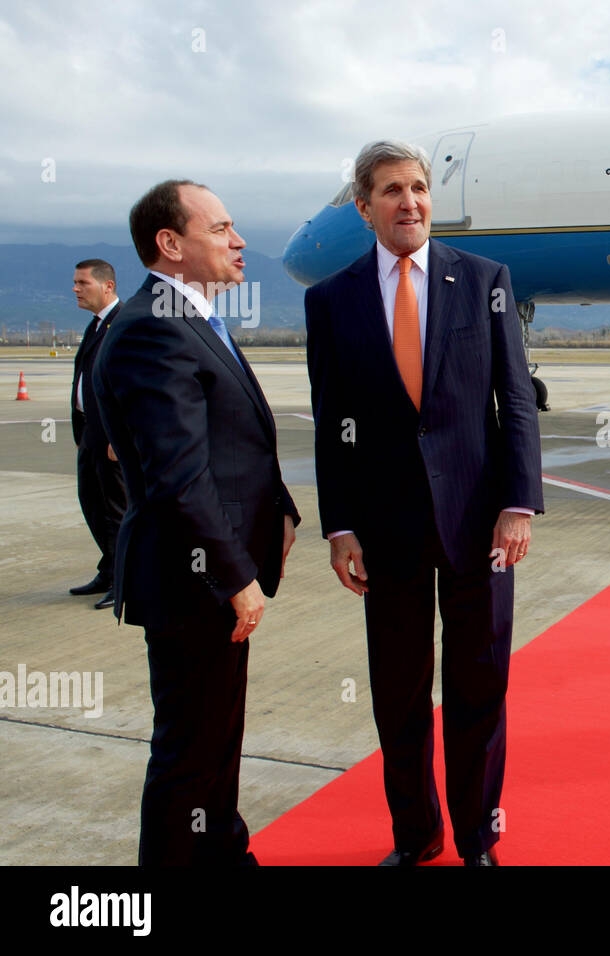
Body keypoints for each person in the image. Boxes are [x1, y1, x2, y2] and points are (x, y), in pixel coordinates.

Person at [305, 140, 543, 866]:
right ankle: (417, 837)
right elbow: (332, 422)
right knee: (400, 698)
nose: (409, 202)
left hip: (479, 523)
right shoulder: (331, 298)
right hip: (385, 528)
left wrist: (519, 504)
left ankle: (476, 839)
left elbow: (517, 402)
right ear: (364, 206)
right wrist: (340, 525)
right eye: (390, 191)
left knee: (479, 689)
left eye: (418, 188)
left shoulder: (484, 280)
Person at [93, 180, 300, 865]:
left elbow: (229, 442)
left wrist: (282, 511)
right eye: (223, 228)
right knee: (190, 751)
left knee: (214, 740)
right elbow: (178, 477)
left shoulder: (190, 316)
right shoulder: (154, 326)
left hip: (209, 573)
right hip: (193, 580)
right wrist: (235, 574)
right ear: (171, 244)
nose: (239, 241)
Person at [69, 258, 125, 610]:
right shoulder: (96, 325)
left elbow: (134, 386)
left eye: (82, 283)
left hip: (112, 438)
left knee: (117, 509)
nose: (75, 289)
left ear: (107, 286)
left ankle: (124, 581)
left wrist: (122, 438)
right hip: (91, 432)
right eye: (75, 283)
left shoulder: (122, 325)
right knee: (92, 502)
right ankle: (108, 570)